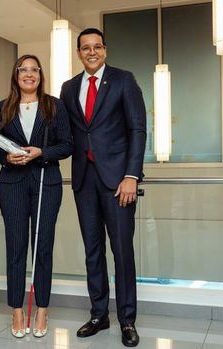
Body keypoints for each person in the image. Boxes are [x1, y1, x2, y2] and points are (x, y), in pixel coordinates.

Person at [59, 28, 146, 347]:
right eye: (85, 48)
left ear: (105, 50)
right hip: (84, 181)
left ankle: (127, 319)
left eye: (97, 47)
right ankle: (99, 314)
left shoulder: (124, 80)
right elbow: (67, 135)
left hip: (118, 182)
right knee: (92, 251)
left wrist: (131, 176)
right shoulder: (68, 88)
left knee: (122, 252)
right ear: (79, 53)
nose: (91, 52)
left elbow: (138, 129)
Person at [0, 54, 72, 338]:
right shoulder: (4, 107)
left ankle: (42, 309)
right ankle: (16, 309)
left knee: (43, 248)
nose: (28, 74)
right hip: (11, 183)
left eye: (33, 70)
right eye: (22, 70)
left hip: (45, 181)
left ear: (40, 74)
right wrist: (7, 157)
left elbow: (67, 145)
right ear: (16, 75)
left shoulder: (54, 105)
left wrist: (41, 153)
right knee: (15, 248)